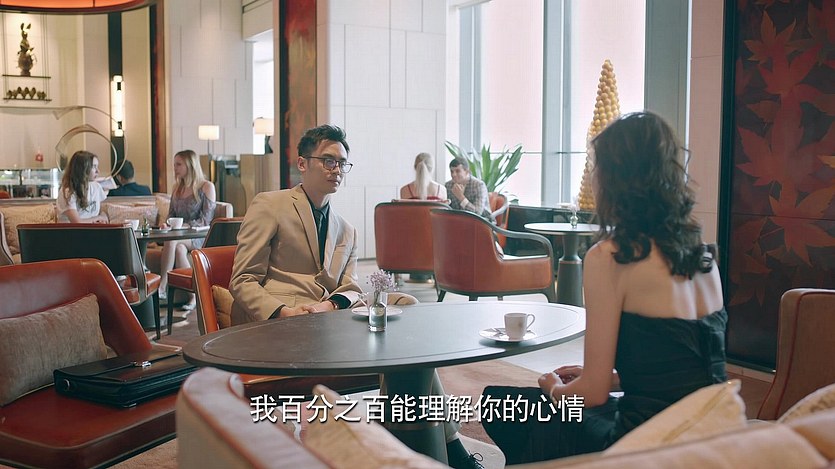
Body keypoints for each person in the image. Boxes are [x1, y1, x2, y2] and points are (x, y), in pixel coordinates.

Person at [229, 124, 483, 469]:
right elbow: (243, 279)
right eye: (328, 161)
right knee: (407, 350)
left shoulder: (346, 229)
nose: (336, 170)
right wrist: (283, 313)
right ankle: (450, 451)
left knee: (408, 311)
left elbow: (350, 287)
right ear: (302, 163)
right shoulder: (270, 205)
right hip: (281, 325)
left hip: (328, 325)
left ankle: (412, 437)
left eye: (342, 164)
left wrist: (329, 305)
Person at [482, 112, 726, 464]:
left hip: (643, 443)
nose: (592, 175)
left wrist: (554, 388)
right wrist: (612, 378)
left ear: (616, 178)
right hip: (707, 436)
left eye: (595, 165)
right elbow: (685, 371)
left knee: (499, 404)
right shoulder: (704, 257)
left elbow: (591, 395)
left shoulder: (612, 257)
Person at [158, 149, 216, 308]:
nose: (175, 168)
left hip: (200, 235)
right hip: (181, 237)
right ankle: (194, 297)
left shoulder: (206, 187)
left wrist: (185, 225)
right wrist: (166, 224)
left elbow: (206, 220)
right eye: (174, 164)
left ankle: (162, 286)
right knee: (179, 249)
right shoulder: (177, 188)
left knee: (172, 241)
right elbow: (171, 215)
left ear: (190, 165)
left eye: (178, 164)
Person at [56, 150, 108, 223]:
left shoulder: (96, 187)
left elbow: (102, 210)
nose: (98, 171)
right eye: (94, 167)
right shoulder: (68, 192)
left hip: (92, 229)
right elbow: (77, 223)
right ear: (83, 169)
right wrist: (98, 218)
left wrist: (103, 217)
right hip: (72, 230)